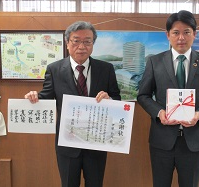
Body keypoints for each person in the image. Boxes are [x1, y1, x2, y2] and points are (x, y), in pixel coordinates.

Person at [25, 21, 121, 187]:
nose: (81, 46)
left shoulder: (106, 69)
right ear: (67, 43)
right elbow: (47, 97)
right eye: (76, 41)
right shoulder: (54, 69)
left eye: (87, 41)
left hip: (96, 143)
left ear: (93, 44)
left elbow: (116, 98)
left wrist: (110, 100)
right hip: (67, 144)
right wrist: (34, 97)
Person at [137, 10, 199, 187]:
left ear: (195, 34)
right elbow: (143, 95)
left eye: (187, 32)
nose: (181, 38)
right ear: (167, 35)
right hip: (162, 141)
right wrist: (159, 112)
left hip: (193, 142)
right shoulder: (155, 61)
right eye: (176, 32)